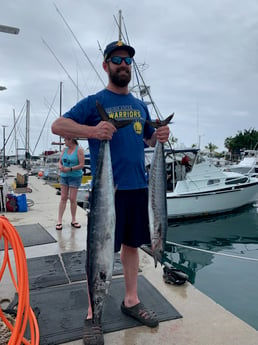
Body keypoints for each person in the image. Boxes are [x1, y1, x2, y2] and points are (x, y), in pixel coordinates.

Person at [51, 40, 170, 345]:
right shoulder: (94, 102)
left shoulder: (140, 106)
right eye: (117, 59)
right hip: (107, 193)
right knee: (99, 252)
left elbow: (148, 142)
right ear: (106, 66)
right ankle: (93, 314)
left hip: (138, 189)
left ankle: (131, 300)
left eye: (128, 60)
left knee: (132, 247)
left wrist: (159, 136)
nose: (123, 64)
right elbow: (57, 125)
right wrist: (92, 131)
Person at [56, 138, 85, 230]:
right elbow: (60, 161)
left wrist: (70, 169)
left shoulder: (79, 150)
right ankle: (59, 220)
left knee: (72, 198)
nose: (64, 142)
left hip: (75, 176)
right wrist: (60, 166)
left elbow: (81, 165)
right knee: (63, 197)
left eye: (65, 140)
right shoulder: (64, 149)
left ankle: (73, 220)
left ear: (71, 140)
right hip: (64, 176)